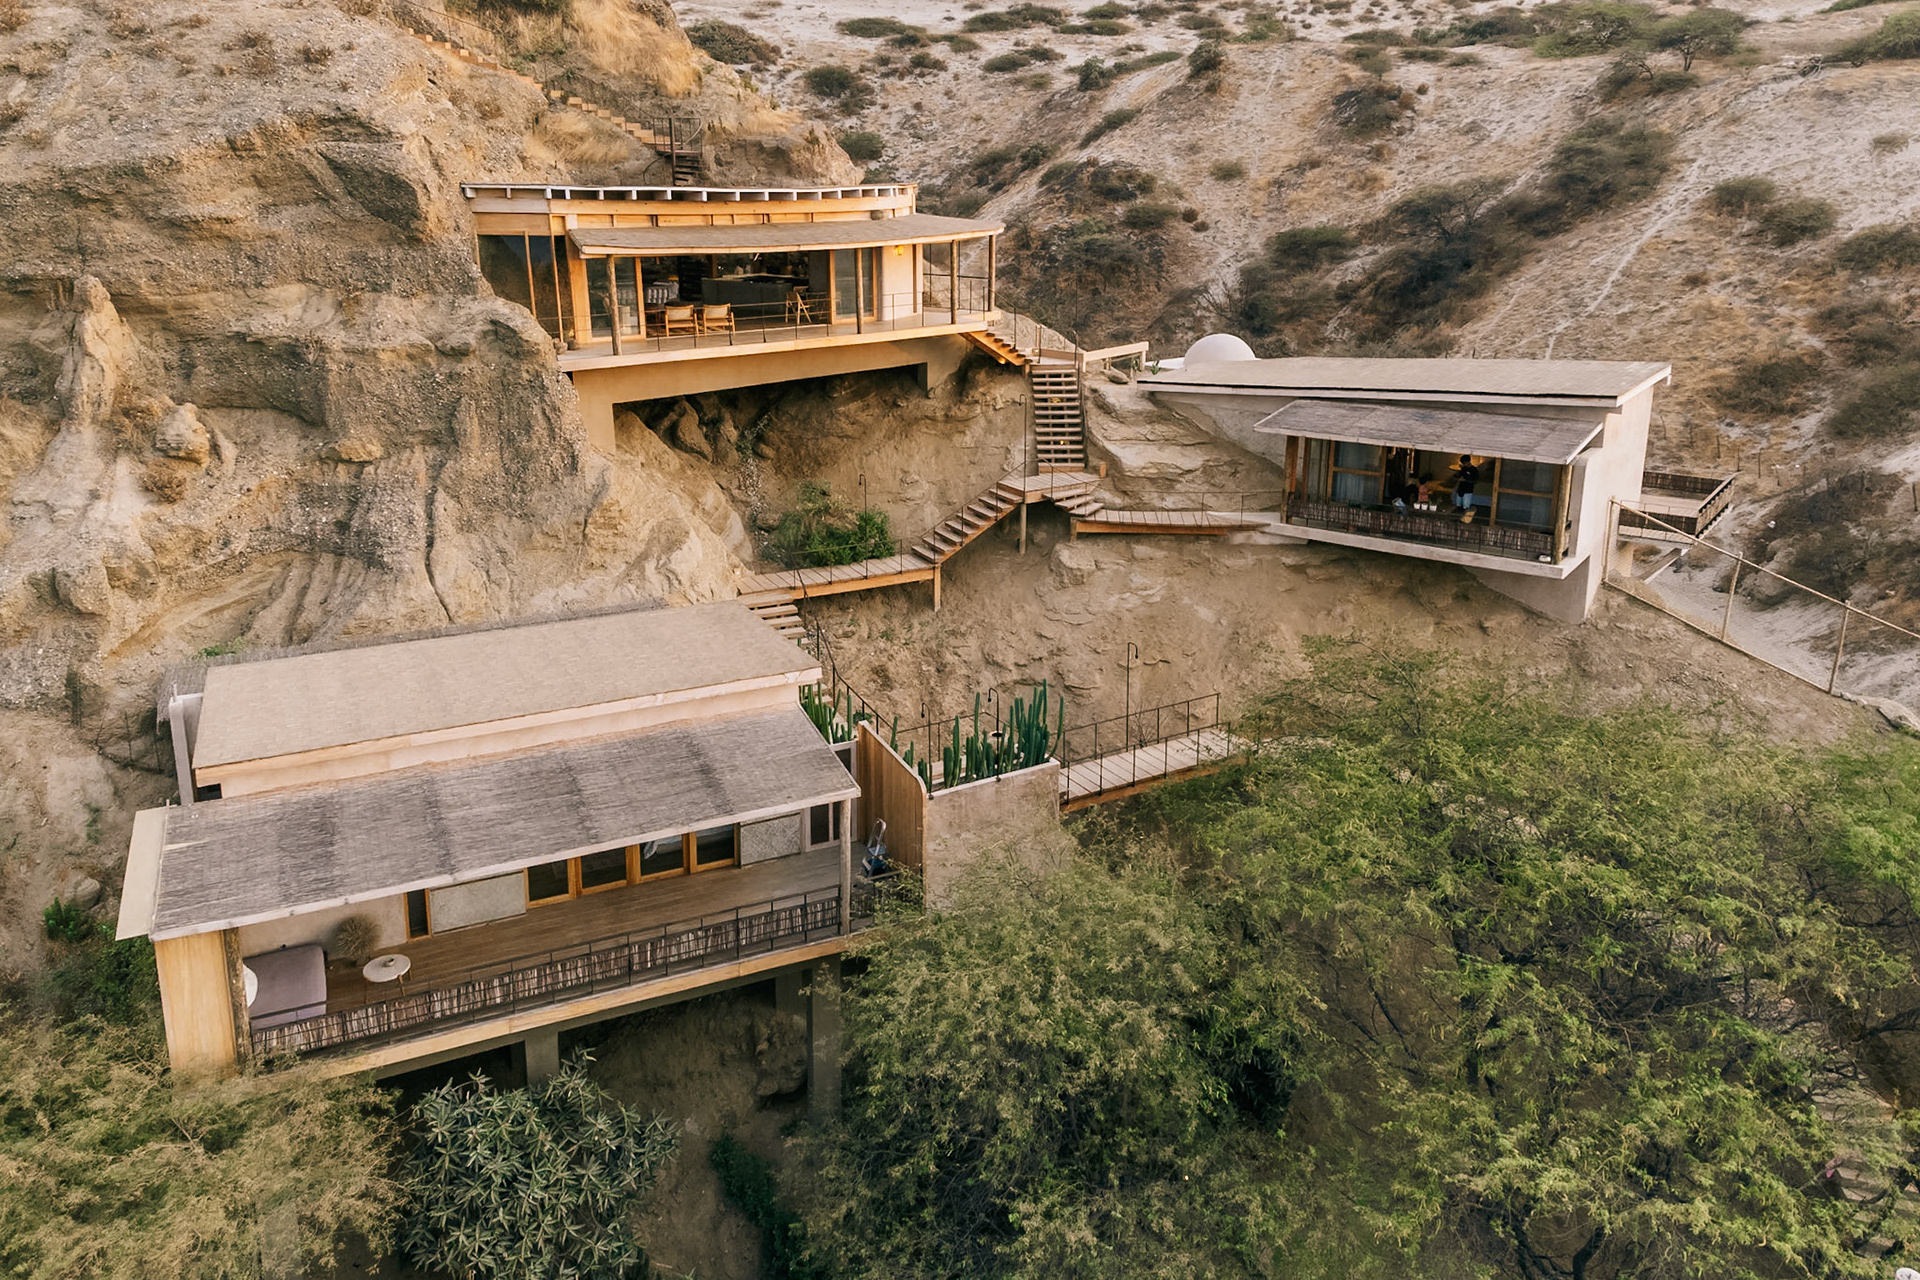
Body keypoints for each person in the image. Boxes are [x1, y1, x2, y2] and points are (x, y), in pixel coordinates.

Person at [1453, 454, 1480, 523]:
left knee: (1466, 507)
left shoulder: (1474, 470)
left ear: (1468, 462)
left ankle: (1464, 520)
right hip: (1460, 489)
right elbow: (1459, 475)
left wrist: (1465, 480)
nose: (1464, 464)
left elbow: (1475, 481)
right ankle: (1458, 519)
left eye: (1464, 463)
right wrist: (1457, 477)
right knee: (1458, 506)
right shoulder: (1463, 469)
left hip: (1468, 490)